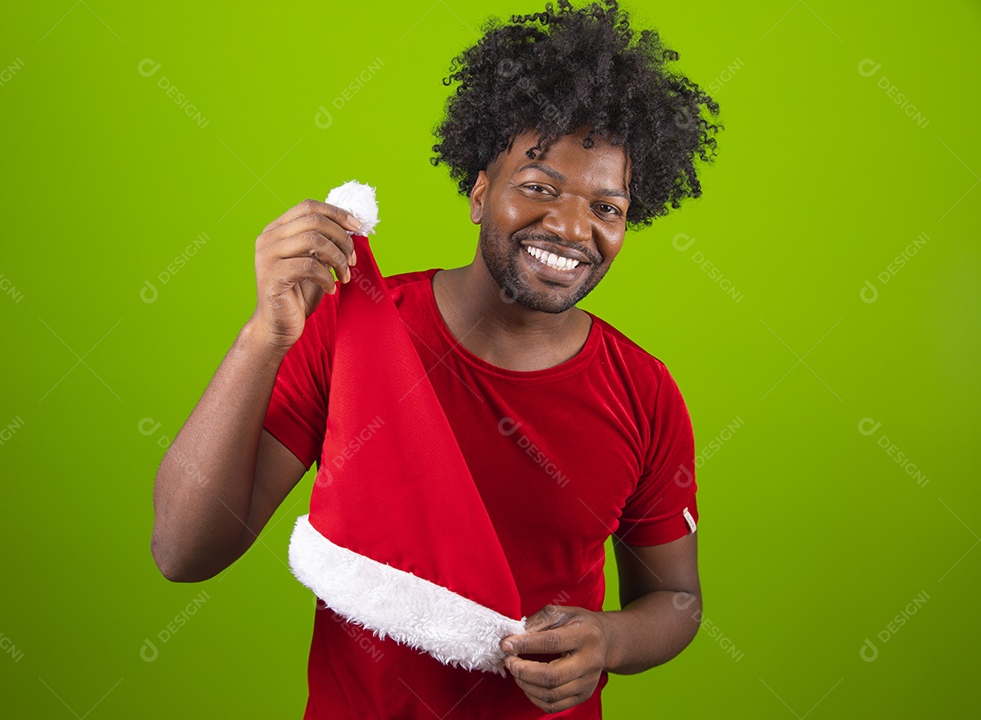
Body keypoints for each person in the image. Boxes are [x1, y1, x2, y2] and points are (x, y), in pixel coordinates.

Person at [150, 0, 721, 716]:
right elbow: (182, 551)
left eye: (606, 207)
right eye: (539, 187)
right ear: (480, 191)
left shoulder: (643, 390)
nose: (573, 227)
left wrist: (609, 640)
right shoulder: (354, 329)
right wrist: (262, 336)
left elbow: (676, 600)